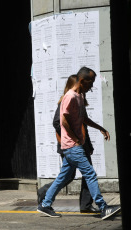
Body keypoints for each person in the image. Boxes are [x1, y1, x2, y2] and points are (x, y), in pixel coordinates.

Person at [37, 67, 121, 220]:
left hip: (73, 146)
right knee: (89, 173)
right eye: (91, 82)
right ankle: (103, 207)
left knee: (64, 177)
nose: (92, 86)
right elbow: (62, 120)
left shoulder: (80, 96)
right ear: (82, 81)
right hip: (72, 146)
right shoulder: (70, 97)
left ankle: (45, 204)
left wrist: (100, 128)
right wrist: (75, 138)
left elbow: (83, 119)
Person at [37, 75, 99, 213]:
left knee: (87, 173)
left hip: (80, 144)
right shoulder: (67, 100)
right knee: (70, 176)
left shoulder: (79, 100)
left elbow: (82, 124)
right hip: (70, 145)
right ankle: (44, 193)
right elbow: (57, 123)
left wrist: (88, 144)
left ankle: (86, 205)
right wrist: (73, 138)